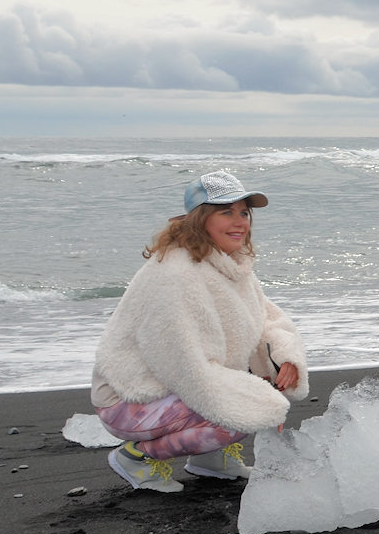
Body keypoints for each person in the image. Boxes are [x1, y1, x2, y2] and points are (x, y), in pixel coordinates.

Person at [90, 171, 309, 492]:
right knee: (248, 408)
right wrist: (252, 394)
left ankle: (210, 459)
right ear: (200, 219)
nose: (240, 222)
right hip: (128, 397)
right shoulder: (176, 273)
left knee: (257, 393)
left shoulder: (230, 264)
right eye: (226, 212)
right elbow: (180, 363)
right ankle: (136, 457)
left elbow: (267, 318)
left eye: (244, 212)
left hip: (175, 388)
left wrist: (284, 357)